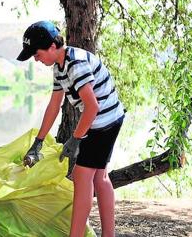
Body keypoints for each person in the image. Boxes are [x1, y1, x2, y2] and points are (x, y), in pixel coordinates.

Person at [17, 20, 125, 237]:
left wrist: (75, 139)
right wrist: (38, 142)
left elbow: (92, 107)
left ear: (52, 47)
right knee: (99, 177)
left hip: (103, 121)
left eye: (36, 54)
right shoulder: (59, 66)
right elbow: (54, 105)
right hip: (103, 119)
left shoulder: (75, 65)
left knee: (82, 178)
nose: (36, 59)